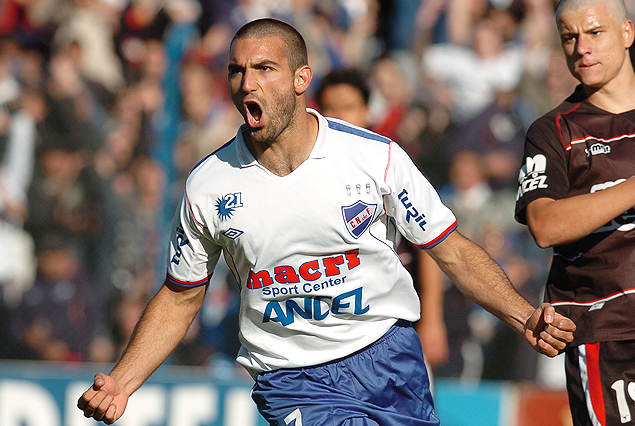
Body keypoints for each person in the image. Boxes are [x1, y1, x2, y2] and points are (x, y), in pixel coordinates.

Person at [78, 18, 575, 426]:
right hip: (292, 377)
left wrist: (521, 313)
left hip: (389, 358)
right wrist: (122, 380)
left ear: (300, 79)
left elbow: (452, 250)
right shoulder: (207, 186)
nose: (247, 83)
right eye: (236, 71)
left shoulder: (374, 158)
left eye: (264, 68)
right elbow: (181, 293)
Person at [514, 1, 635, 424]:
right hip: (608, 335)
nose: (582, 47)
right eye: (570, 37)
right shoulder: (553, 130)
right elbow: (545, 225)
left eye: (595, 33)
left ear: (627, 32)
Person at [315, 67, 449, 368]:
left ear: (367, 112)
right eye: (330, 108)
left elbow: (430, 244)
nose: (338, 117)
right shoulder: (303, 174)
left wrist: (432, 321)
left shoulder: (388, 166)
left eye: (347, 107)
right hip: (326, 329)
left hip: (391, 323)